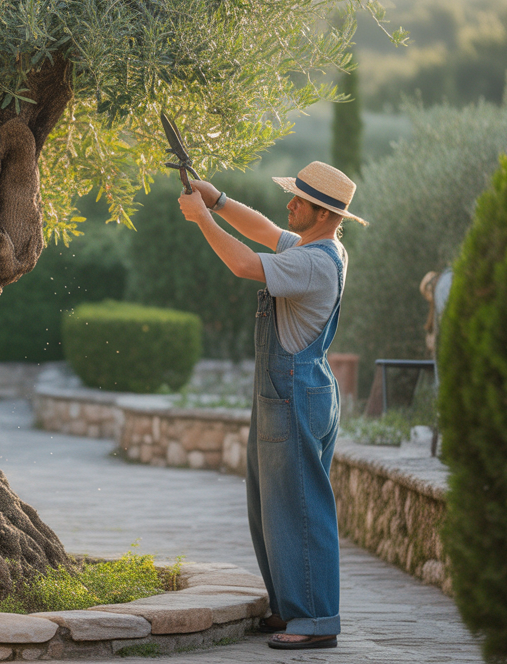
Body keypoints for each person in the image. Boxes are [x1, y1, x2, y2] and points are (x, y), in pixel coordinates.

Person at [177, 161, 367, 651]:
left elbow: (243, 263)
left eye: (298, 201)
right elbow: (263, 229)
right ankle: (290, 605)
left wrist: (202, 220)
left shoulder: (313, 262)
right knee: (272, 505)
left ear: (322, 213)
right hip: (296, 391)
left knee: (298, 507)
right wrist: (217, 200)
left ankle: (315, 620)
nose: (290, 205)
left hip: (294, 393)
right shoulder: (318, 247)